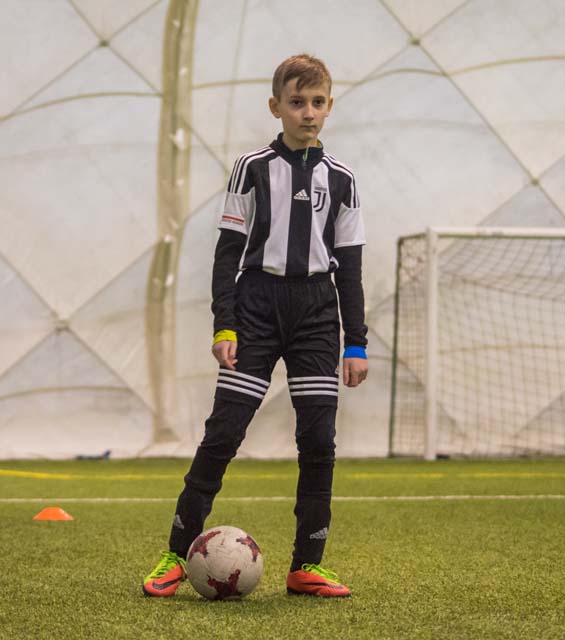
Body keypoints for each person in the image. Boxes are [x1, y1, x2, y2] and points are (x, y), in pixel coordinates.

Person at [143, 54, 368, 597]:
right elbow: (227, 254)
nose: (307, 112)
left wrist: (356, 341)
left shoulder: (342, 180)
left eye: (317, 102)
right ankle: (175, 554)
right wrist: (225, 326)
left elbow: (350, 266)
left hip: (317, 313)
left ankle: (306, 565)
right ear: (276, 107)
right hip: (258, 308)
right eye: (296, 102)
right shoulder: (252, 167)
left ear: (329, 107)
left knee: (318, 440)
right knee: (225, 430)